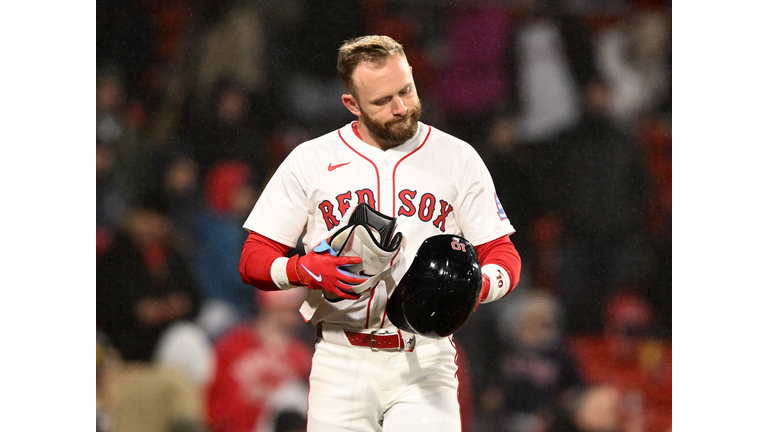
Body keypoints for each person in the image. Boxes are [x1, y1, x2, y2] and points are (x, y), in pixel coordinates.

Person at [238, 35, 522, 432]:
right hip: (341, 360)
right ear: (352, 104)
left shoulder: (457, 157)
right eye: (382, 100)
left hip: (425, 358)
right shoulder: (311, 160)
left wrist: (479, 285)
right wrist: (302, 270)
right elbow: (253, 258)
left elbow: (503, 254)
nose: (401, 107)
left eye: (406, 90)